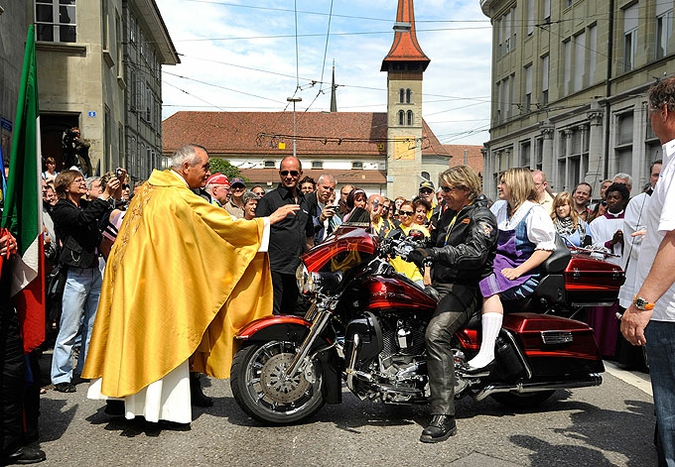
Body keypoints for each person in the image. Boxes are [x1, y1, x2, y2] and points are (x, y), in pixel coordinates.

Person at [82, 144, 299, 424]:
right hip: (158, 283)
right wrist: (267, 222)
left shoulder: (149, 189)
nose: (208, 173)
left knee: (135, 337)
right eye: (205, 167)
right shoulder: (178, 196)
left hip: (133, 277)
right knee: (161, 338)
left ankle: (125, 403)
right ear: (186, 167)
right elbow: (220, 226)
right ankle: (158, 411)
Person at [406, 165, 498, 442]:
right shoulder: (446, 213)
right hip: (440, 284)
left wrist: (435, 252)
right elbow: (436, 242)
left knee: (436, 335)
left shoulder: (482, 217)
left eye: (447, 189)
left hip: (465, 287)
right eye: (441, 189)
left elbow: (474, 253)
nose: (441, 194)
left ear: (465, 190)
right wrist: (418, 244)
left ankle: (443, 416)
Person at [621, 78, 675, 465]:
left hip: (671, 313)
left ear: (666, 112)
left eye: (651, 112)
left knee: (671, 411)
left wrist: (642, 303)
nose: (651, 120)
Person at [466, 167, 556, 372]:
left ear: (516, 185)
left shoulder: (534, 212)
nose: (499, 185)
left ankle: (487, 351)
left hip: (520, 270)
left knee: (488, 286)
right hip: (496, 262)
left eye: (504, 182)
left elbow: (545, 248)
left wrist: (518, 271)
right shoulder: (499, 207)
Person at [49, 170, 121, 393]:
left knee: (92, 325)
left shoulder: (83, 206)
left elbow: (100, 219)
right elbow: (84, 220)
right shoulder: (62, 208)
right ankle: (61, 375)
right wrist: (104, 196)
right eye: (77, 181)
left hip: (92, 270)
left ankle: (86, 367)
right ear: (64, 186)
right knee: (69, 327)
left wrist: (113, 196)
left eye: (82, 180)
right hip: (76, 273)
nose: (82, 183)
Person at [615, 160, 662, 371]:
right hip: (640, 265)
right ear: (649, 177)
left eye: (662, 174)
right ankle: (632, 359)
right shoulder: (638, 202)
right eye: (654, 175)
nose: (658, 179)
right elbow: (633, 236)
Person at [255, 156, 314, 315]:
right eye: (284, 173)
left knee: (292, 313)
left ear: (300, 174)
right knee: (274, 314)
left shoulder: (305, 201)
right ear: (279, 174)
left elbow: (309, 237)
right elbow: (256, 230)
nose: (289, 176)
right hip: (275, 269)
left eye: (293, 173)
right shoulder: (269, 200)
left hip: (297, 270)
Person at [587, 182, 630, 358]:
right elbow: (592, 249)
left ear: (624, 200)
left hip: (625, 269)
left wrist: (625, 240)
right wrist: (610, 243)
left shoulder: (630, 221)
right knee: (602, 313)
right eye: (609, 198)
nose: (612, 201)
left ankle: (615, 350)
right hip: (604, 270)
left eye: (616, 198)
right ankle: (600, 347)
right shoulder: (598, 222)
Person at [388, 200, 429, 284]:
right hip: (395, 276)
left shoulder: (422, 231)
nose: (405, 216)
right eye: (402, 212)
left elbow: (428, 254)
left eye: (409, 213)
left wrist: (427, 274)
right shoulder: (392, 231)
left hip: (415, 277)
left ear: (414, 214)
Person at [307, 174, 340, 244]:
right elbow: (304, 228)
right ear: (317, 185)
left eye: (331, 189)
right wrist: (320, 219)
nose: (328, 191)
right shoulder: (307, 201)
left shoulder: (328, 204)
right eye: (325, 187)